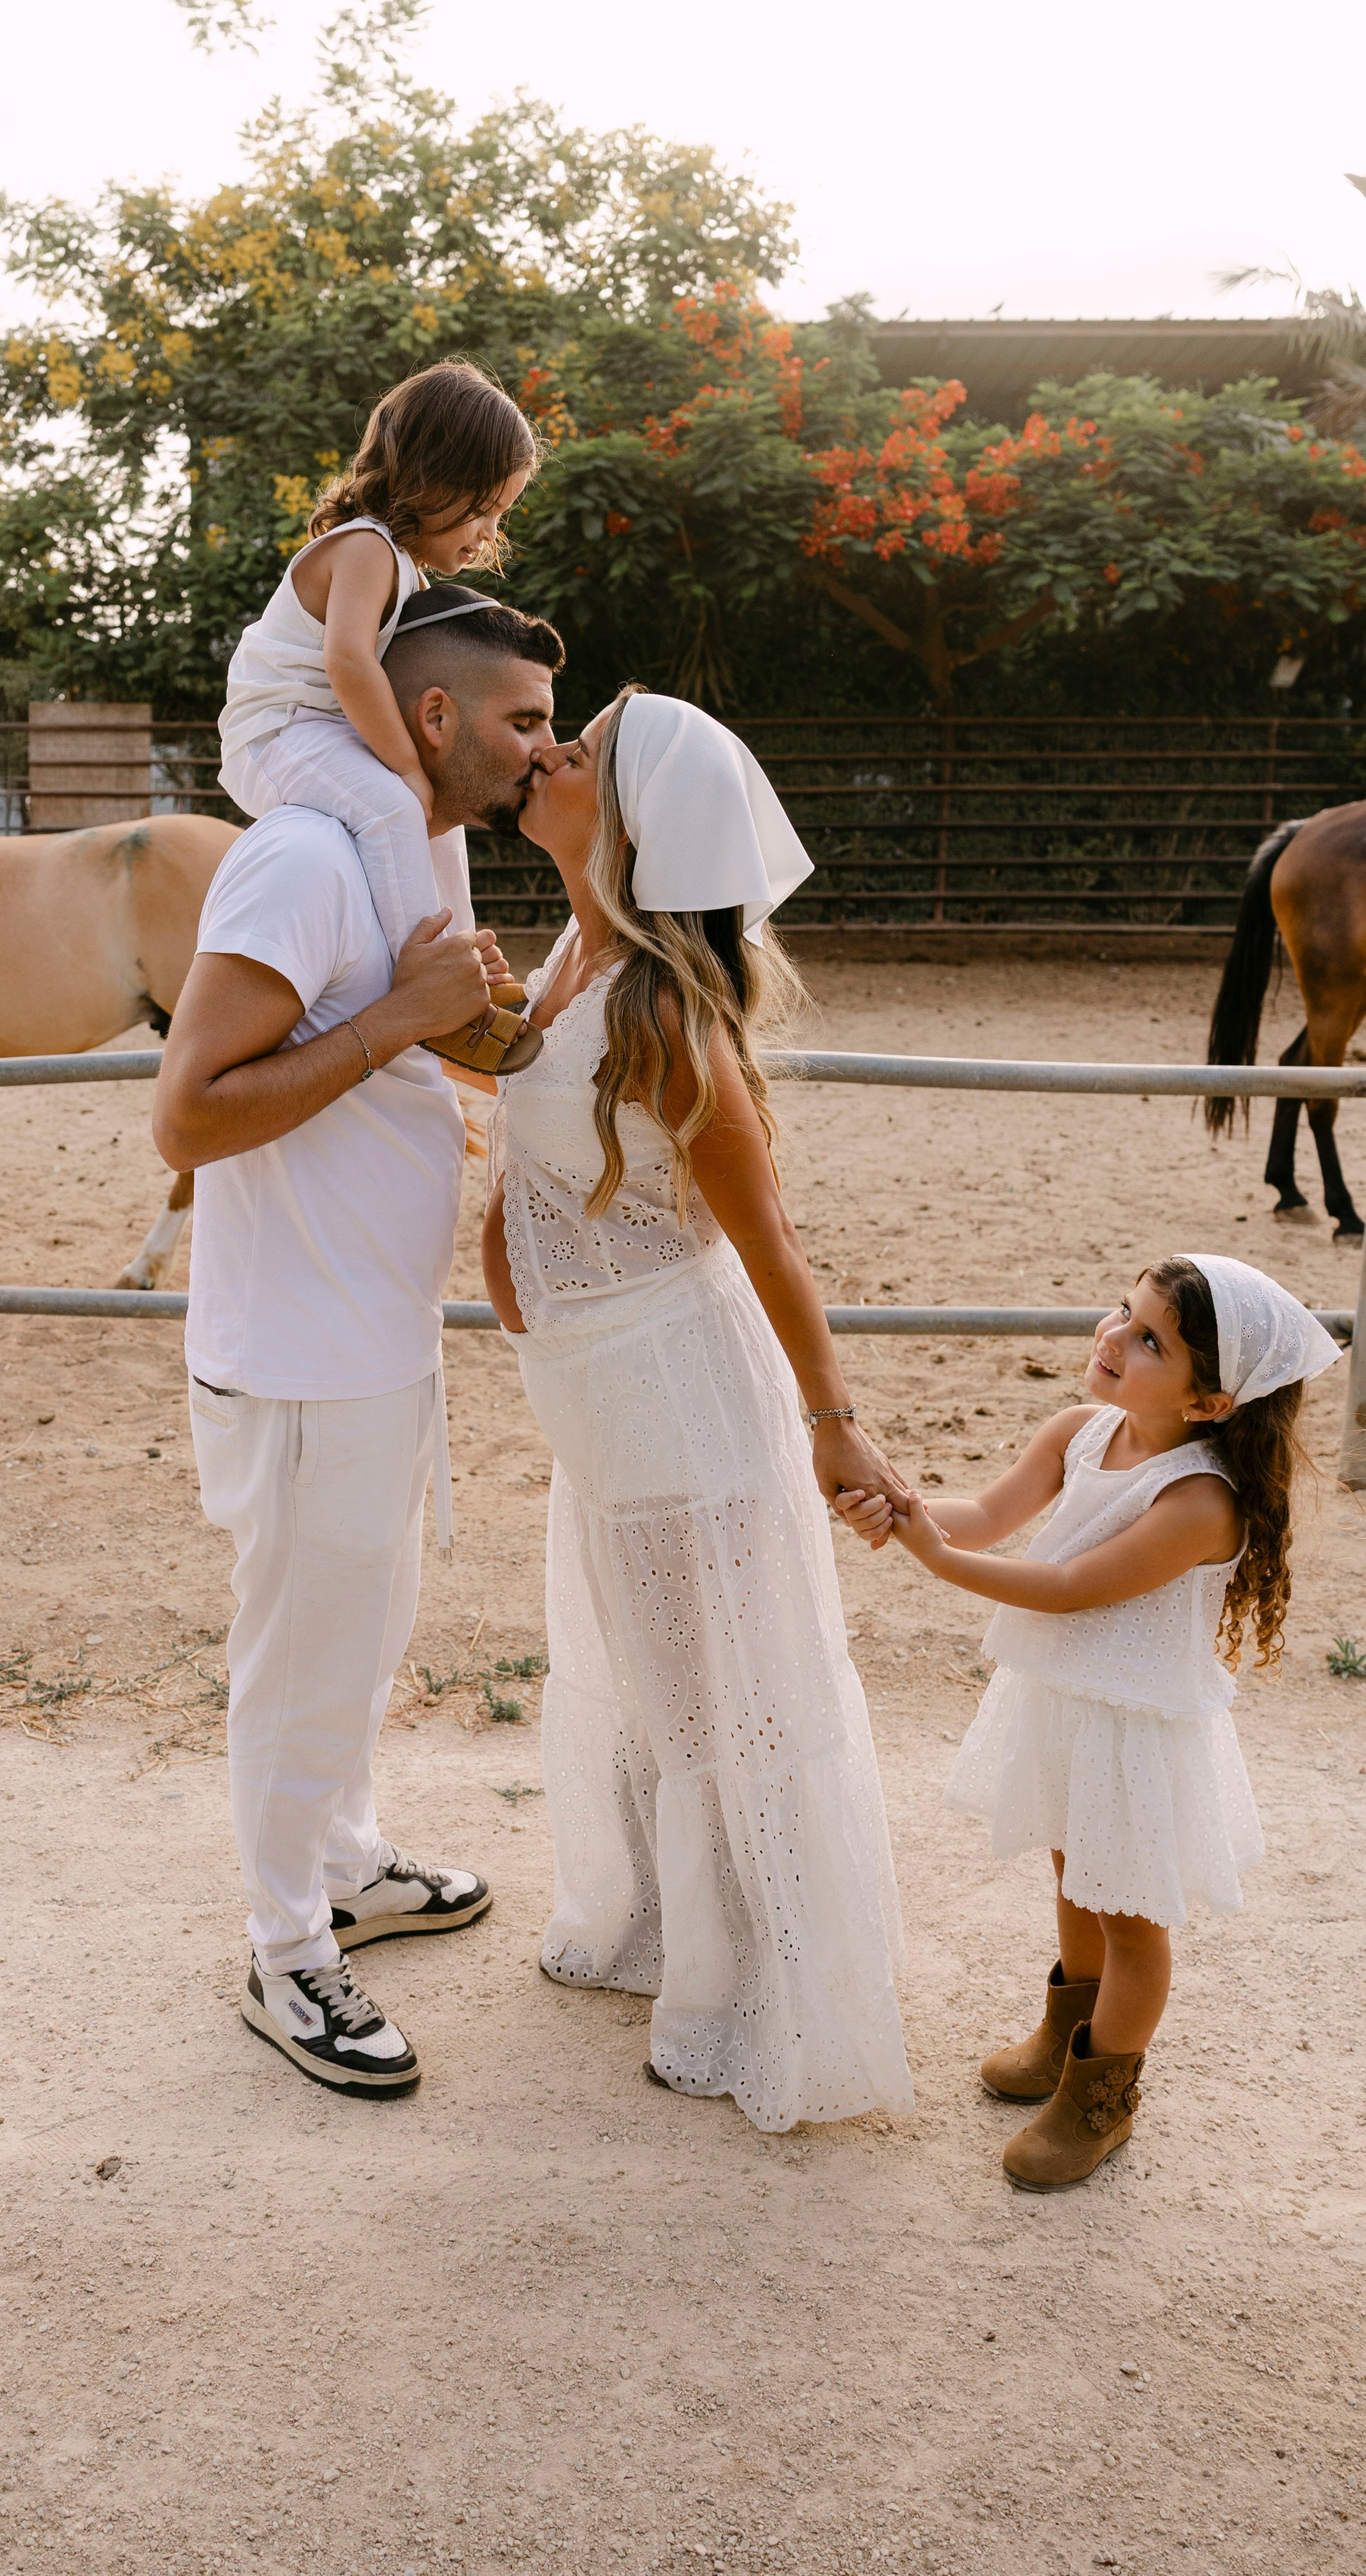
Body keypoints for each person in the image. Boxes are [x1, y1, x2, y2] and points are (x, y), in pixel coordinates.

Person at [481, 686, 916, 2131]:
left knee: (712, 1697)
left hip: (677, 1393)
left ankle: (742, 1990)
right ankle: (668, 1929)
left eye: (578, 751)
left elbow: (768, 1237)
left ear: (629, 821)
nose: (543, 752)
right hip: (596, 1394)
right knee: (647, 1669)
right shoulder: (561, 955)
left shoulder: (658, 1010)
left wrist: (832, 1420)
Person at [154, 588, 564, 2098]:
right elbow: (187, 1112)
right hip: (298, 1359)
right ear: (438, 719)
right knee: (297, 1661)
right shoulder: (301, 861)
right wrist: (402, 1021)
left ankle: (337, 1864)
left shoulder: (403, 859)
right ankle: (283, 1957)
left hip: (369, 1344)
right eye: (521, 720)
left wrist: (462, 1011)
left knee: (361, 1633)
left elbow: (407, 1029)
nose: (542, 746)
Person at [842, 1254, 1339, 2189]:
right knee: (1073, 1873)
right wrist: (903, 1510)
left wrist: (929, 1558)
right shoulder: (1080, 1430)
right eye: (1123, 1311)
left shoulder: (1198, 1504)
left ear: (1208, 1404)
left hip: (1134, 1729)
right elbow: (986, 1516)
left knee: (1131, 1918)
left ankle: (1101, 2097)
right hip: (1068, 1706)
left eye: (1151, 1340)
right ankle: (1069, 2030)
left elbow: (1068, 1588)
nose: (1113, 1338)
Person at [216, 360, 544, 1076]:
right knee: (399, 806)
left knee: (441, 813)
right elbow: (349, 663)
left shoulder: (404, 564)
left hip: (319, 729)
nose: (489, 533)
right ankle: (429, 989)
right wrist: (404, 765)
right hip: (277, 732)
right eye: (483, 508)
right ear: (434, 477)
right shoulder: (367, 548)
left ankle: (462, 964)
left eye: (502, 514)